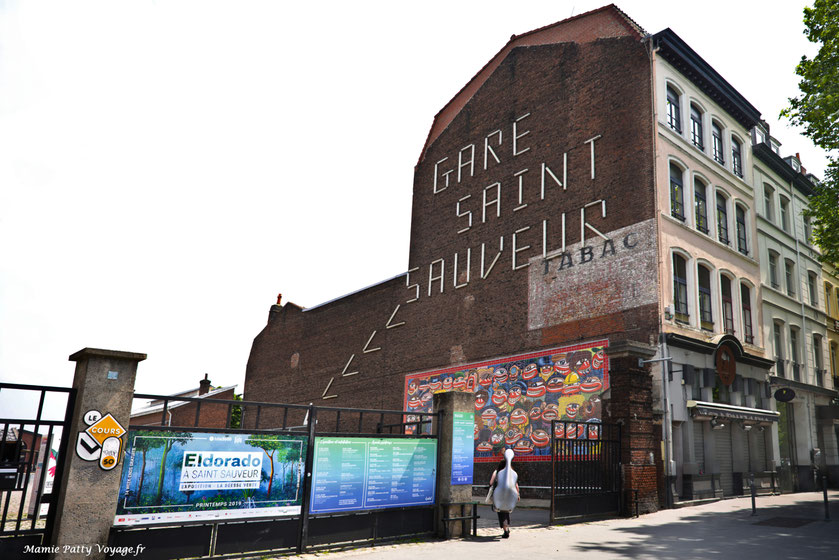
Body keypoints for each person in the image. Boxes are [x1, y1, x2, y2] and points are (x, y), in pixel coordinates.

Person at [489, 448, 519, 538]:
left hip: (499, 495)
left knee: (501, 512)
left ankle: (505, 529)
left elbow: (491, 482)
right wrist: (518, 495)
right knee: (507, 511)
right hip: (510, 495)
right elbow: (516, 485)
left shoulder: (497, 472)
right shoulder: (512, 473)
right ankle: (507, 528)